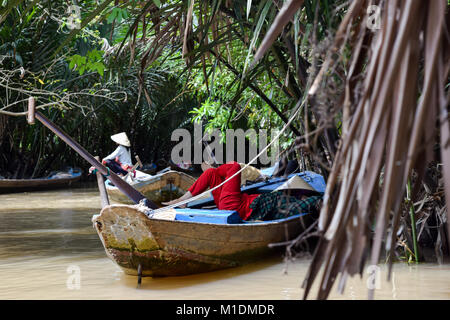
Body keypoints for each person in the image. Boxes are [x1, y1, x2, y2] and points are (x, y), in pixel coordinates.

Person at [162, 161, 322, 221]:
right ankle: (182, 202)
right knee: (211, 174)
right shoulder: (285, 199)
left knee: (228, 169)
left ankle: (181, 201)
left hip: (234, 206)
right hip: (234, 204)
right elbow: (314, 201)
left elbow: (313, 201)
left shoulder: (286, 202)